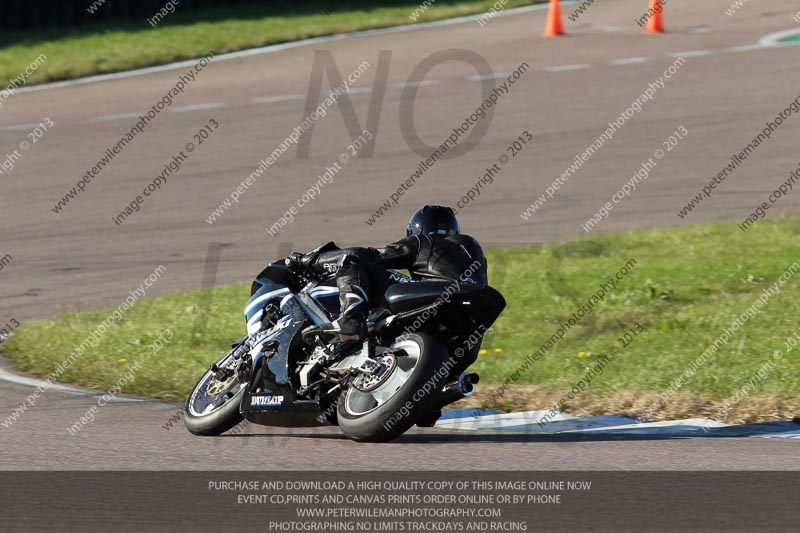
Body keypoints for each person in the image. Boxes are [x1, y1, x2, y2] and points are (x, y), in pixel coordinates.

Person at [287, 205, 488, 356]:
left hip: (440, 295)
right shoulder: (474, 250)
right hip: (469, 330)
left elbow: (372, 256)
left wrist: (311, 261)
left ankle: (350, 321)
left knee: (350, 262)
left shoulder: (422, 241)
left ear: (416, 231)